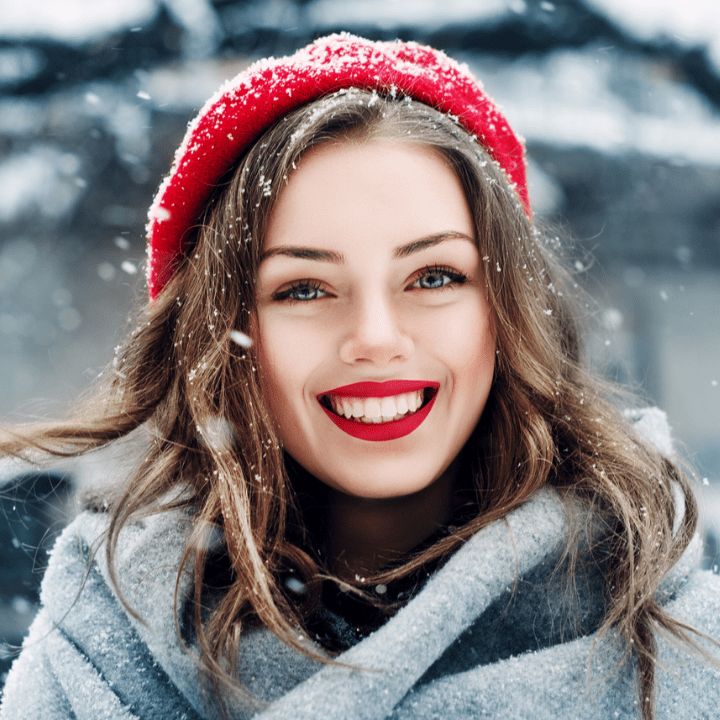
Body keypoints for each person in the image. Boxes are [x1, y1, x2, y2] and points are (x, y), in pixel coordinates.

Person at [1, 33, 719, 720]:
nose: (375, 339)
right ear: (222, 338)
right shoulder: (98, 652)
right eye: (305, 289)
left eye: (434, 276)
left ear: (507, 313)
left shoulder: (684, 651)